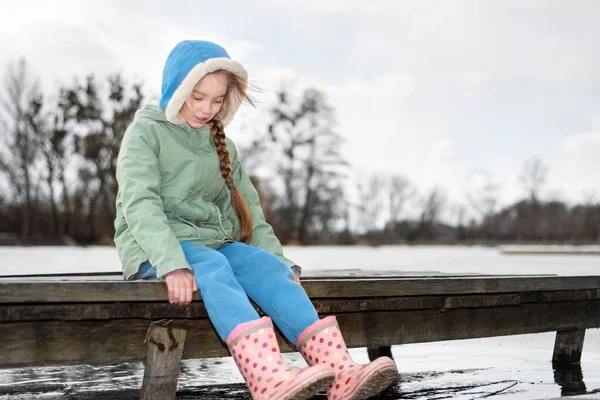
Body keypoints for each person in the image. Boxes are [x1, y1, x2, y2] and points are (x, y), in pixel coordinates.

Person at [114, 39, 398, 400]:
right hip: (155, 249)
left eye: (217, 101)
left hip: (211, 244)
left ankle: (340, 372)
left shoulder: (223, 146)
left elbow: (250, 211)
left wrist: (281, 263)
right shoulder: (146, 132)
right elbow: (140, 202)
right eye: (198, 97)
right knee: (214, 265)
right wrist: (170, 263)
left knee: (263, 266)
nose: (207, 109)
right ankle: (266, 379)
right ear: (177, 88)